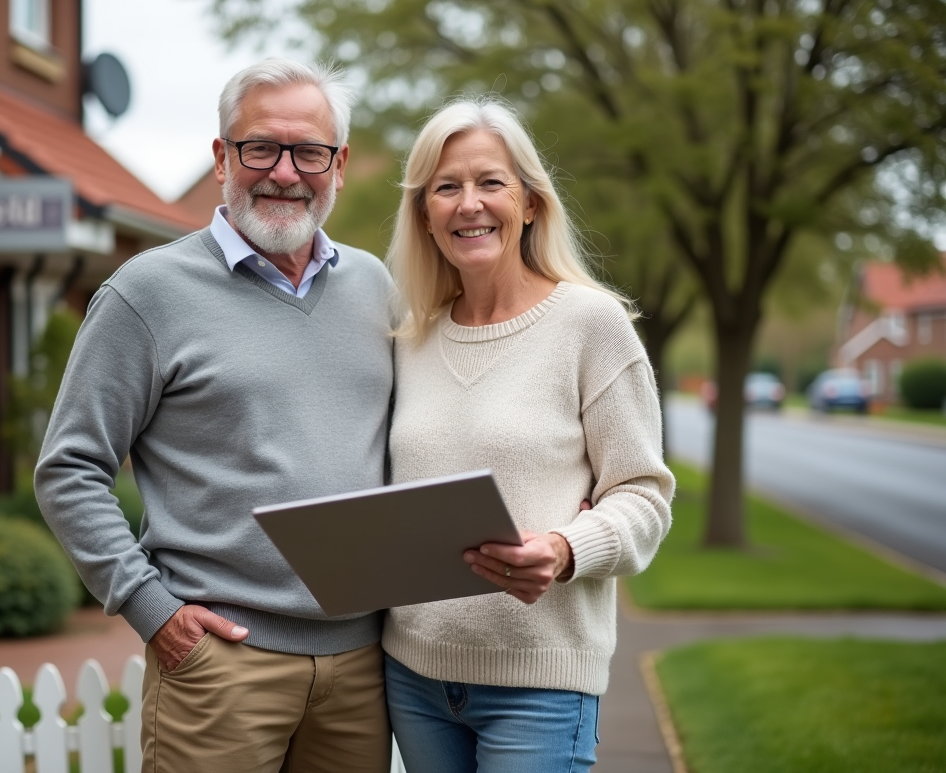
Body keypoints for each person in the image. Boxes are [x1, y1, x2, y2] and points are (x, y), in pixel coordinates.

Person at [34, 58, 396, 773]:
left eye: (309, 152)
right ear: (221, 156)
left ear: (341, 163)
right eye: (260, 147)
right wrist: (151, 609)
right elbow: (69, 468)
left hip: (362, 662)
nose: (284, 172)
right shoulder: (147, 293)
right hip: (220, 659)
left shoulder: (374, 285)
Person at [381, 97, 675, 773]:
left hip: (540, 682)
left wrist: (567, 548)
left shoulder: (591, 325)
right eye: (446, 187)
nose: (469, 204)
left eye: (490, 182)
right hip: (413, 675)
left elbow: (645, 495)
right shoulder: (409, 337)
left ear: (531, 203)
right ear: (424, 214)